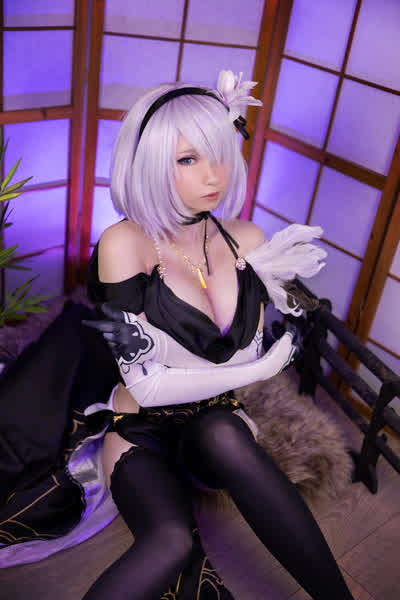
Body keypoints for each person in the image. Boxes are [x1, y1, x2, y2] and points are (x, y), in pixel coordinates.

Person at [0, 70, 354, 600]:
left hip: (215, 428)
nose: (213, 175)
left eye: (220, 154)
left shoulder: (246, 239)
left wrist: (238, 368)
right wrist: (260, 368)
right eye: (188, 159)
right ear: (150, 163)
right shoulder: (124, 244)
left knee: (223, 433)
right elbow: (147, 387)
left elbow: (246, 347)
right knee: (168, 542)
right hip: (139, 429)